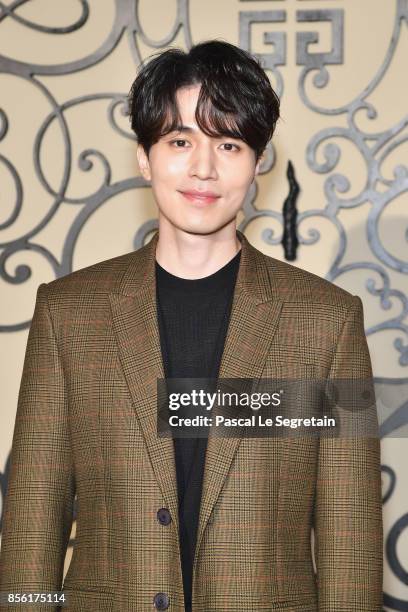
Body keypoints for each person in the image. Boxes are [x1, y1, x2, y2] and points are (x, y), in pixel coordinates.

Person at [0, 40, 383, 611]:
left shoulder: (326, 320)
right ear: (144, 156)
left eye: (228, 144)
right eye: (180, 141)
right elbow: (35, 510)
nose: (203, 168)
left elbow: (349, 530)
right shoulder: (69, 312)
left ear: (256, 162)